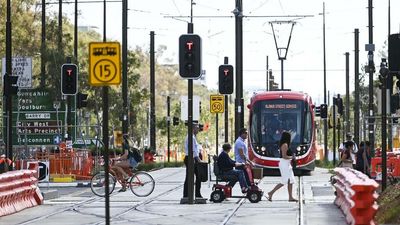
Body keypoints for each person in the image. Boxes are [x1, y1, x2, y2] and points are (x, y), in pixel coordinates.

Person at [266, 131, 298, 202]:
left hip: (287, 164)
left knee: (291, 180)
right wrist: (292, 157)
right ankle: (271, 193)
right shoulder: (285, 145)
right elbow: (284, 156)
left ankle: (290, 197)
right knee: (285, 181)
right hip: (284, 164)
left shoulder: (286, 144)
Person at [183, 123, 203, 199]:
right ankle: (189, 195)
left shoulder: (193, 137)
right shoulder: (190, 137)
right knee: (193, 177)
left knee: (196, 176)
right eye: (197, 127)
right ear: (193, 128)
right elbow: (193, 150)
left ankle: (192, 194)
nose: (198, 129)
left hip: (192, 158)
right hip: (191, 159)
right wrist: (198, 159)